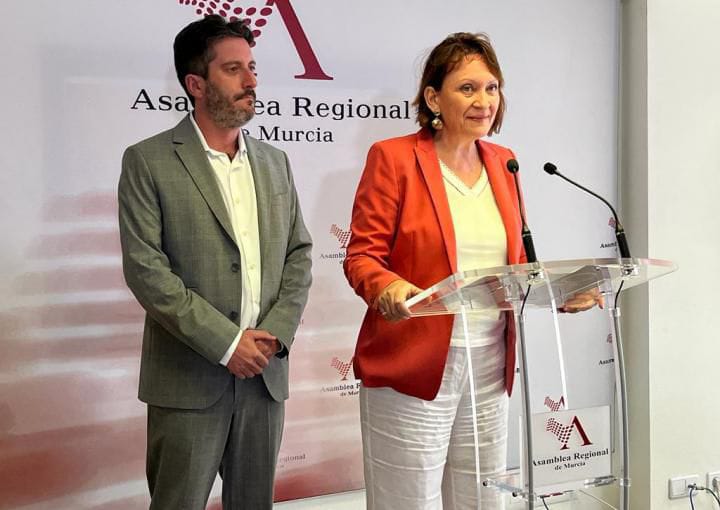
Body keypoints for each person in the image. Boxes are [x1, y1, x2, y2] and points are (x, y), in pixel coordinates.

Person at [344, 32, 599, 510]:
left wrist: (561, 293)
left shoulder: (504, 163)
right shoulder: (394, 158)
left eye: (492, 88)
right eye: (467, 88)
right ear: (433, 97)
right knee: (408, 502)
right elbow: (362, 256)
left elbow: (515, 268)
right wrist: (390, 286)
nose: (483, 101)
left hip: (487, 362)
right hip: (414, 362)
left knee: (483, 501)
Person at [118, 15, 312, 510]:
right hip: (188, 379)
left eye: (251, 67)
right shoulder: (149, 160)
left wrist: (273, 333)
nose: (251, 81)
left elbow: (299, 253)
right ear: (196, 84)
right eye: (233, 69)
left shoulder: (274, 162)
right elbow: (147, 271)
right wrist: (227, 344)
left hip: (264, 377)